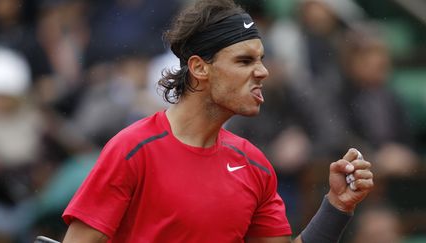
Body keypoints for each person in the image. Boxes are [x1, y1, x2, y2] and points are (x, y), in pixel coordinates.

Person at [61, 0, 374, 242]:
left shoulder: (256, 166)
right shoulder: (132, 150)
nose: (262, 71)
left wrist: (336, 205)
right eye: (244, 61)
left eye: (261, 60)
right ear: (199, 68)